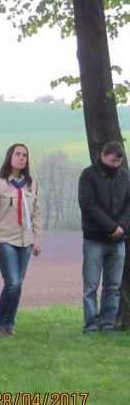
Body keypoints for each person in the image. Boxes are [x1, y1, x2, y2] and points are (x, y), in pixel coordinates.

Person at [0, 143, 42, 336]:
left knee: (19, 286)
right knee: (12, 283)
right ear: (10, 157)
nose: (21, 158)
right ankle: (0, 325)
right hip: (5, 240)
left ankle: (9, 325)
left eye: (24, 155)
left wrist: (36, 240)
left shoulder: (32, 184)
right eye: (17, 154)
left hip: (26, 241)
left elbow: (37, 213)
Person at [78, 141, 130, 334]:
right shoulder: (88, 175)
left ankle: (107, 323)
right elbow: (87, 204)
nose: (116, 164)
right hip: (95, 239)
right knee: (91, 285)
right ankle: (90, 324)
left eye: (119, 161)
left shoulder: (125, 176)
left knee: (113, 286)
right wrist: (110, 227)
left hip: (118, 240)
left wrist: (121, 227)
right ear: (102, 156)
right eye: (112, 160)